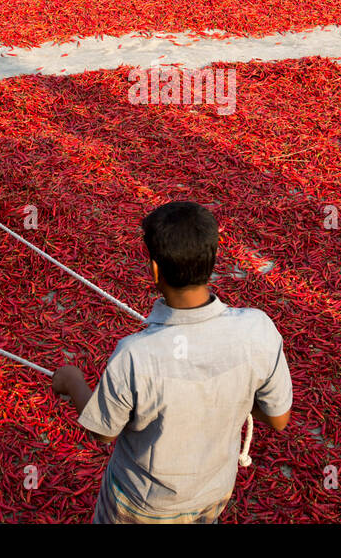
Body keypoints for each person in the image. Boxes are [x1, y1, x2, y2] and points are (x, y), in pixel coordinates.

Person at [51, 201, 293, 523]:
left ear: (154, 270)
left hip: (143, 505)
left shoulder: (135, 355)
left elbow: (105, 433)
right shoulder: (257, 328)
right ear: (213, 260)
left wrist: (73, 383)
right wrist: (226, 393)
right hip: (214, 492)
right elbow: (278, 419)